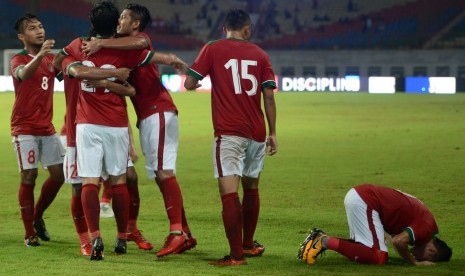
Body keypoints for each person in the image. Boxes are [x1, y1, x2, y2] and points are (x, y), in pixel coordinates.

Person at [60, 1, 187, 260]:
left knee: (88, 182)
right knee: (122, 180)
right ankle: (122, 236)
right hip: (117, 124)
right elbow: (145, 67)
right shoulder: (127, 52)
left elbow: (65, 65)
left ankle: (94, 237)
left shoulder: (77, 46)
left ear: (92, 24)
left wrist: (81, 69)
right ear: (114, 23)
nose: (121, 23)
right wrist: (173, 61)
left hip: (86, 124)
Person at [184, 9, 278, 266]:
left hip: (229, 132)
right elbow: (269, 96)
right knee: (251, 188)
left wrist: (198, 77)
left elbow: (190, 84)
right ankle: (248, 245)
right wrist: (273, 133)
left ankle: (236, 256)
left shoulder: (213, 48)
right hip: (257, 133)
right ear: (247, 30)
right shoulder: (260, 54)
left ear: (224, 28)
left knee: (228, 193)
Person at [52, 52, 131, 255]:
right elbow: (56, 67)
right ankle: (86, 240)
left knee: (95, 182)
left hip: (90, 128)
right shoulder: (76, 50)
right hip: (78, 130)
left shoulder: (78, 51)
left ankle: (108, 236)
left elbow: (129, 91)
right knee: (93, 185)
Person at [11, 13, 65, 247]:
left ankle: (38, 215)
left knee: (59, 175)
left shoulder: (51, 59)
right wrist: (41, 55)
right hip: (24, 128)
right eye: (32, 28)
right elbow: (23, 74)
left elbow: (70, 76)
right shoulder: (18, 59)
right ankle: (28, 232)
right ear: (22, 36)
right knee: (29, 175)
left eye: (41, 26)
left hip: (47, 128)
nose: (39, 31)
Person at [299, 184, 452, 265]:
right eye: (426, 259)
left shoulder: (427, 224)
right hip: (366, 201)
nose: (419, 257)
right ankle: (322, 241)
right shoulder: (426, 228)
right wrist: (414, 263)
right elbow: (398, 242)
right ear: (431, 251)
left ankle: (320, 239)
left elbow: (397, 237)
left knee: (369, 249)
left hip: (364, 198)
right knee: (378, 256)